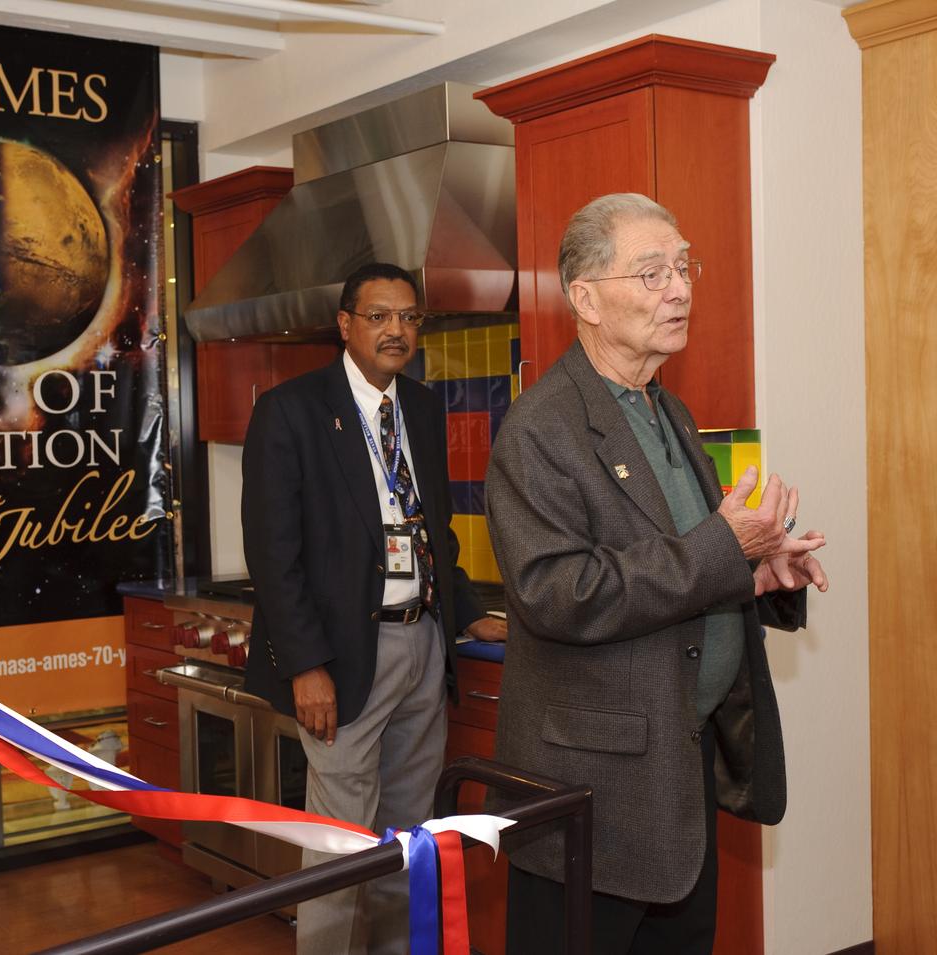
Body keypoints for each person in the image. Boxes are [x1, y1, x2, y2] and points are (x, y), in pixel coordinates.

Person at [485, 193, 829, 954]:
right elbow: (558, 594)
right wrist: (722, 548)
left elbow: (691, 566)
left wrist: (760, 573)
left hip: (677, 776)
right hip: (593, 801)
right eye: (650, 273)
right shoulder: (540, 429)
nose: (679, 288)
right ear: (585, 298)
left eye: (682, 266)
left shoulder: (666, 411)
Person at [242, 261, 506, 955]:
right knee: (339, 847)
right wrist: (306, 665)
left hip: (424, 644)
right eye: (381, 315)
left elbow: (434, 529)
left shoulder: (419, 406)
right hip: (341, 656)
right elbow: (273, 554)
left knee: (406, 835)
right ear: (346, 324)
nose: (397, 330)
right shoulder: (291, 409)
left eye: (409, 317)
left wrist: (468, 608)